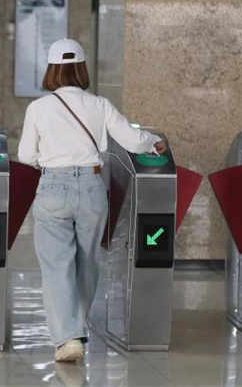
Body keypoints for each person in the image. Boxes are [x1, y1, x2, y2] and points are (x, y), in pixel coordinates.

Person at [18, 38, 166, 362]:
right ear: (81, 68)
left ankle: (68, 338)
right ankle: (76, 329)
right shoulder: (100, 104)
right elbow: (133, 140)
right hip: (92, 188)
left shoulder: (38, 108)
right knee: (87, 264)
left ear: (51, 69)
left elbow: (26, 155)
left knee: (57, 266)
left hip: (53, 188)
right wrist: (153, 141)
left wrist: (52, 160)